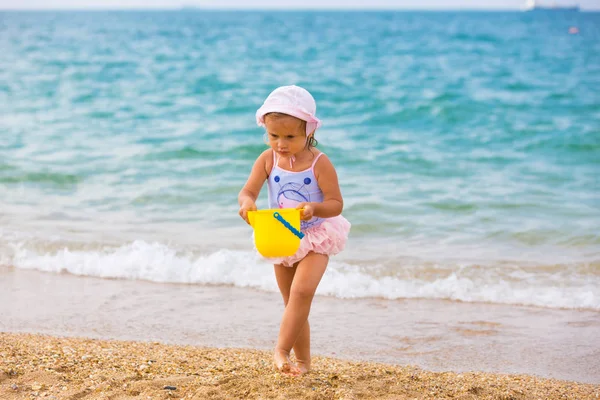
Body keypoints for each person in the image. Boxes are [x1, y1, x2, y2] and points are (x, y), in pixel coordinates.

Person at [238, 85, 351, 375]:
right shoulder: (267, 160)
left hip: (316, 236)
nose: (281, 144)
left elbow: (336, 203)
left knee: (302, 293)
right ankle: (302, 363)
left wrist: (316, 209)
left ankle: (280, 350)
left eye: (290, 137)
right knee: (292, 303)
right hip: (281, 235)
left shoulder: (319, 163)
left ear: (309, 132)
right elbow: (248, 191)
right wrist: (247, 205)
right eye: (274, 136)